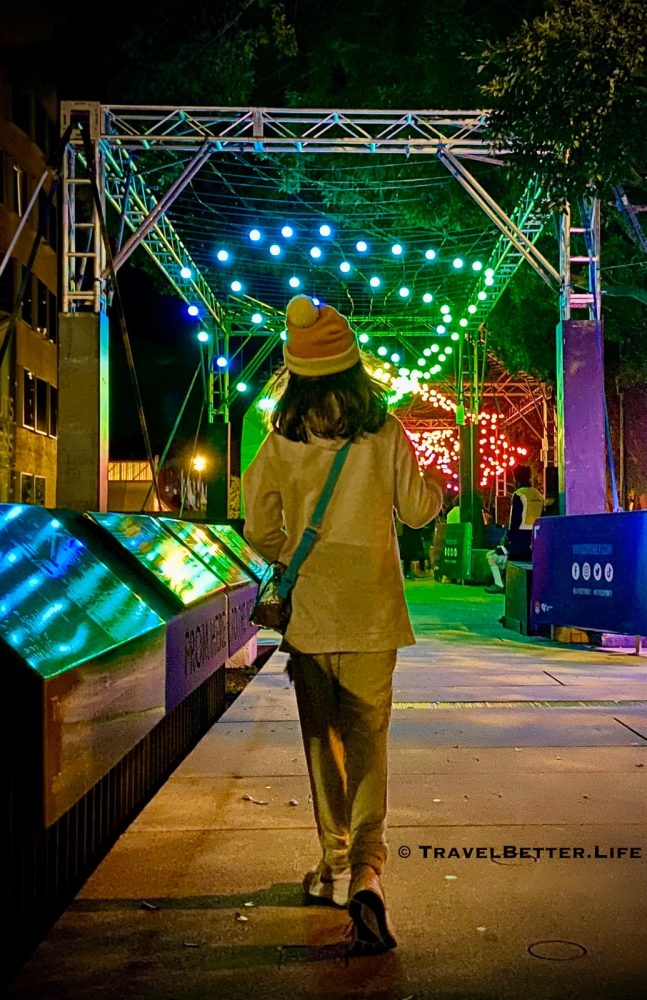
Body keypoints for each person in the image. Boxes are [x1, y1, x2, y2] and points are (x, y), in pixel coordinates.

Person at [243, 295, 443, 954]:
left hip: (311, 617)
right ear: (352, 367)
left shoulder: (280, 441)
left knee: (321, 745)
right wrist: (430, 486)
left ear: (297, 373)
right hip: (374, 614)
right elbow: (417, 512)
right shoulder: (384, 433)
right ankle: (366, 872)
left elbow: (259, 529)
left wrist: (294, 554)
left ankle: (331, 867)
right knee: (367, 746)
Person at [485, 465, 544, 594]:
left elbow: (514, 521)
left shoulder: (519, 494)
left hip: (518, 542)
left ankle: (499, 584)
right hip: (536, 539)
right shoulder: (539, 495)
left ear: (516, 479)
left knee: (491, 555)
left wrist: (508, 541)